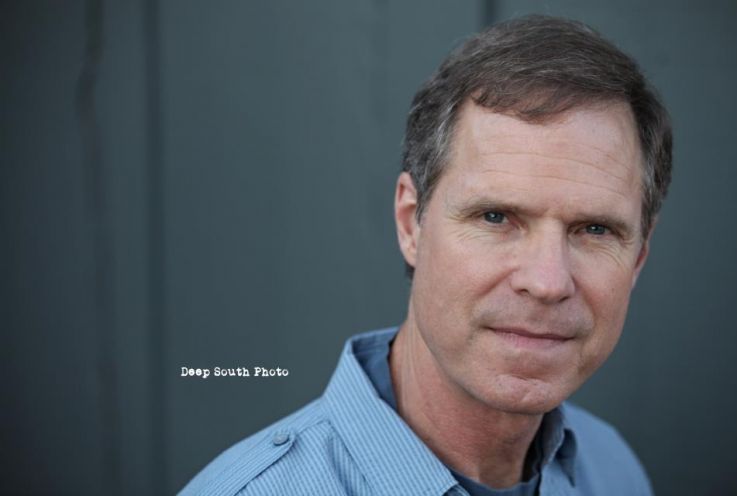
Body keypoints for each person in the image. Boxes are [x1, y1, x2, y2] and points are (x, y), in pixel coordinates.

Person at [180, 14, 672, 496]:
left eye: (595, 229)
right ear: (409, 223)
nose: (547, 282)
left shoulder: (612, 471)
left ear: (638, 258)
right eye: (495, 217)